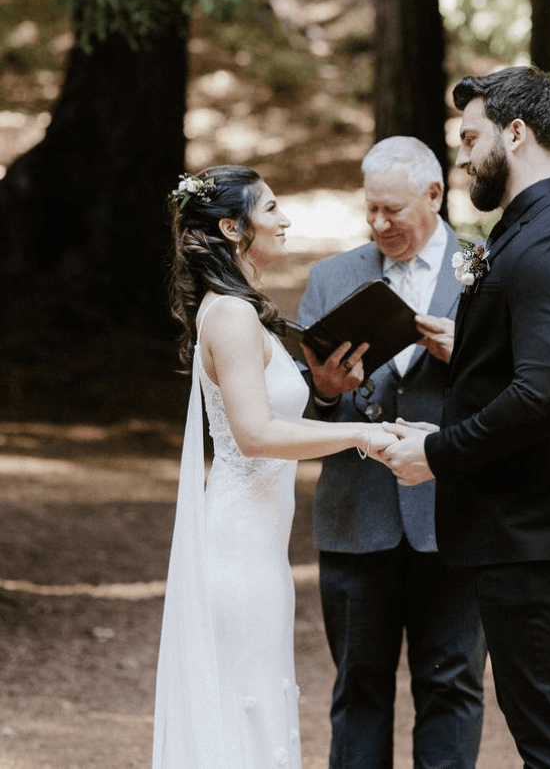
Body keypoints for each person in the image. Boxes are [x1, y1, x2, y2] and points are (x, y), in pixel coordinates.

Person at [381, 67, 550, 769]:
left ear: (515, 133)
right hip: (523, 534)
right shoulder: (524, 231)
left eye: (471, 137)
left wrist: (437, 454)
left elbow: (541, 396)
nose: (462, 155)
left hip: (543, 537)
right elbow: (525, 371)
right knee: (542, 737)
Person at [152, 164, 396, 769]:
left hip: (260, 548)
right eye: (271, 210)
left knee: (256, 705)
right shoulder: (231, 315)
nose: (286, 220)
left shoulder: (241, 307)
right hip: (238, 553)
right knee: (244, 711)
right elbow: (256, 434)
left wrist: (329, 390)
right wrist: (362, 433)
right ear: (233, 228)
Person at [297, 136, 487, 769]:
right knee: (358, 692)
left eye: (394, 211)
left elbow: (527, 391)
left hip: (455, 517)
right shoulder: (331, 278)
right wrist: (325, 393)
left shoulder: (486, 267)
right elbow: (299, 416)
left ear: (434, 195)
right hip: (356, 517)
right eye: (370, 210)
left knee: (453, 688)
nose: (380, 224)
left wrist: (469, 360)